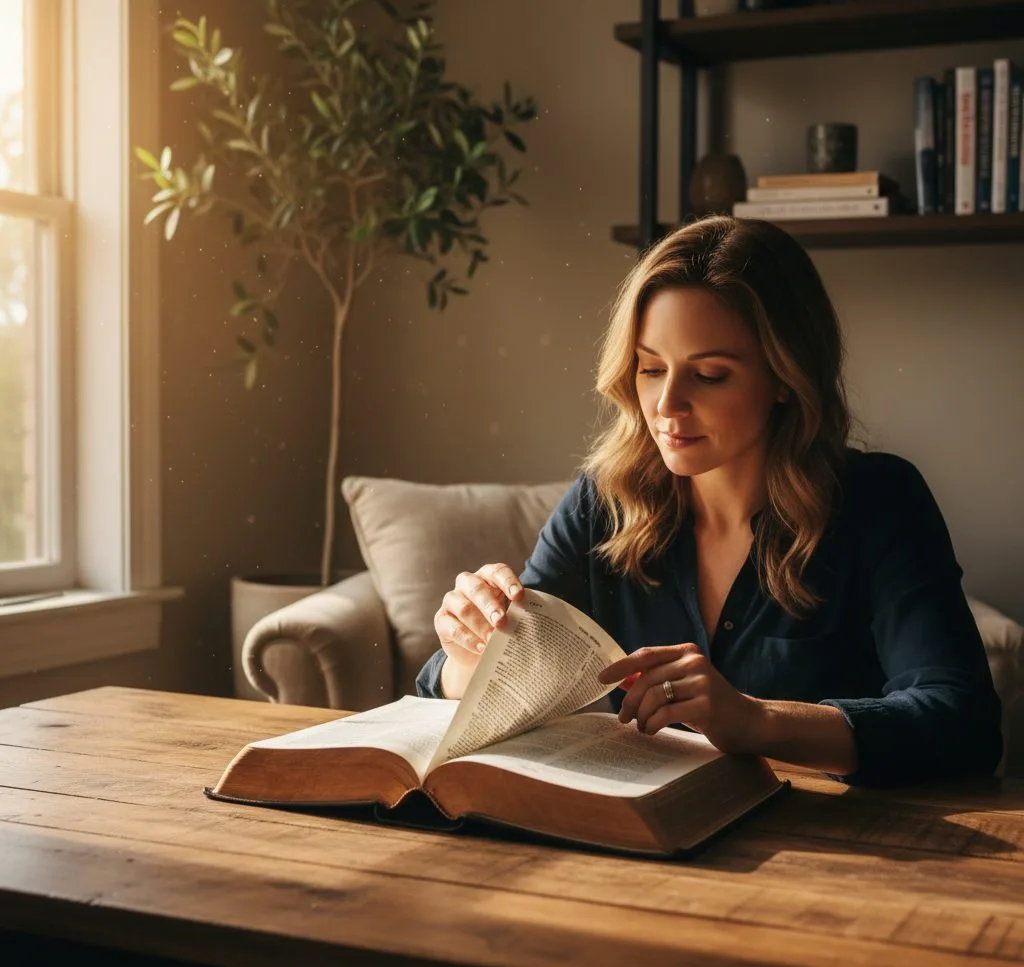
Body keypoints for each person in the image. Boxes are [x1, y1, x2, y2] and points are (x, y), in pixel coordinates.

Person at [415, 215, 1002, 787]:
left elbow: (964, 724)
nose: (667, 405)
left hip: (834, 854)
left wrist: (754, 719)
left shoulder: (879, 502)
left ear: (784, 377)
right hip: (631, 852)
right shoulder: (602, 504)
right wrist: (471, 653)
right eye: (650, 368)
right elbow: (477, 689)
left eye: (711, 375)